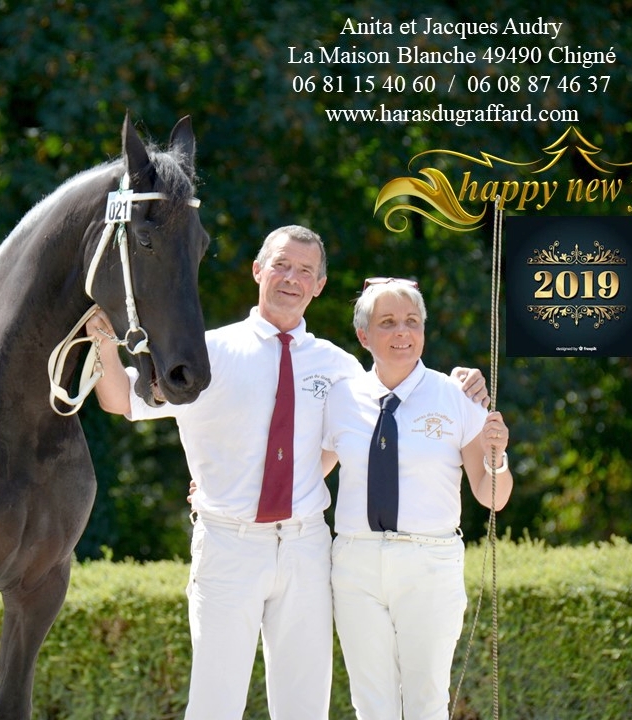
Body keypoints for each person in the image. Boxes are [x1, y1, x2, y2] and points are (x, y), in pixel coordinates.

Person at [86, 226, 487, 720]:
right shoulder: (207, 353)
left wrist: (465, 380)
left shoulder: (338, 367)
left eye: (305, 271)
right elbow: (121, 400)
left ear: (319, 285)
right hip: (229, 544)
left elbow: (362, 427)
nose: (291, 278)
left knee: (304, 707)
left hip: (305, 547)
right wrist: (103, 342)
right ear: (258, 270)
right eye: (281, 265)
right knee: (215, 704)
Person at [321, 277, 514, 720]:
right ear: (363, 335)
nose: (402, 332)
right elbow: (309, 475)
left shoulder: (457, 396)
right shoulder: (341, 398)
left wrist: (497, 457)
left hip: (429, 562)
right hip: (356, 563)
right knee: (371, 704)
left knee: (426, 701)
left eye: (412, 321)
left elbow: (492, 497)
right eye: (387, 322)